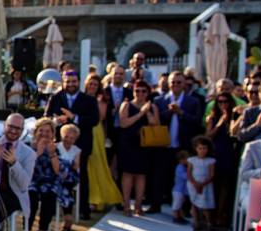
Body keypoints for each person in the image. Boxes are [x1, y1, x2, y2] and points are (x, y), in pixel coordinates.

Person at [45, 70, 100, 219]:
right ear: (63, 82)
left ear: (79, 82)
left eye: (73, 81)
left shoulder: (88, 99)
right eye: (67, 81)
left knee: (82, 177)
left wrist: (74, 118)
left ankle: (83, 209)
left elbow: (94, 120)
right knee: (54, 175)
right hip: (59, 146)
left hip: (81, 145)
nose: (70, 84)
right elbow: (47, 118)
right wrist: (57, 121)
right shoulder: (56, 97)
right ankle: (55, 210)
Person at [148, 71, 203, 214]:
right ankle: (156, 204)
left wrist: (181, 113)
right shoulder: (159, 101)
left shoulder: (193, 102)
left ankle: (182, 208)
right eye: (173, 82)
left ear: (184, 84)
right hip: (163, 145)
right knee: (159, 175)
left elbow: (197, 123)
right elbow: (156, 121)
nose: (175, 85)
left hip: (183, 146)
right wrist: (169, 113)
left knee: (182, 178)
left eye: (179, 82)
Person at [0, 113, 36, 231]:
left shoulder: (28, 153)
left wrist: (14, 163)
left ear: (22, 130)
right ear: (4, 126)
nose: (13, 131)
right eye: (11, 126)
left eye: (18, 128)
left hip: (14, 194)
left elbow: (24, 185)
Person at [118, 80, 161, 216]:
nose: (140, 94)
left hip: (144, 144)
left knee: (141, 175)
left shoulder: (152, 107)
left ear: (148, 93)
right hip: (128, 143)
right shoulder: (126, 105)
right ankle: (126, 205)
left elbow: (156, 125)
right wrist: (140, 114)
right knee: (127, 174)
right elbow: (124, 123)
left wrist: (147, 112)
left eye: (143, 91)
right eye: (137, 90)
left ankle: (138, 205)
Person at [83, 74, 123, 210]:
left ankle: (97, 198)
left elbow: (100, 117)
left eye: (95, 84)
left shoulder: (101, 99)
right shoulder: (81, 97)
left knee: (97, 162)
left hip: (96, 131)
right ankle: (88, 198)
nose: (92, 86)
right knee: (86, 165)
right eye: (90, 84)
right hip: (83, 130)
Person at [27, 118, 62, 231]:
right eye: (41, 130)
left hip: (49, 181)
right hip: (32, 179)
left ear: (53, 134)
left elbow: (58, 171)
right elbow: (27, 167)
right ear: (35, 132)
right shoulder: (29, 146)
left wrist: (52, 154)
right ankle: (27, 230)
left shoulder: (56, 148)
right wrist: (38, 152)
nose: (44, 134)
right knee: (32, 196)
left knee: (50, 196)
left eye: (48, 131)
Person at [204, 91, 237, 226]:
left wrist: (230, 119)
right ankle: (210, 215)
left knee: (225, 185)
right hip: (215, 153)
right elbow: (208, 136)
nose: (223, 104)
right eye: (220, 102)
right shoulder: (212, 118)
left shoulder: (235, 116)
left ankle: (220, 214)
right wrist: (219, 123)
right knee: (213, 185)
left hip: (228, 153)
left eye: (226, 102)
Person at [56, 123, 82, 231]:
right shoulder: (56, 147)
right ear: (62, 135)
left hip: (70, 176)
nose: (68, 139)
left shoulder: (77, 150)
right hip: (57, 174)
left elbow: (76, 166)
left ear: (75, 139)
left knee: (66, 183)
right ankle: (68, 216)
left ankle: (67, 217)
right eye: (66, 136)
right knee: (63, 186)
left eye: (71, 138)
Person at [187, 136, 216, 229]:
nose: (202, 150)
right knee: (194, 203)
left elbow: (212, 175)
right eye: (200, 148)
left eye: (204, 148)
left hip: (205, 185)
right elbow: (189, 173)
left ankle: (209, 222)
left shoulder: (210, 161)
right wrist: (195, 184)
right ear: (196, 149)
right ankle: (196, 221)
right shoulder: (192, 160)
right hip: (193, 184)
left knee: (205, 205)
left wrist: (202, 184)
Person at [172, 151, 190, 224]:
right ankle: (175, 216)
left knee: (180, 204)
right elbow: (185, 176)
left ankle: (180, 217)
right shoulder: (179, 168)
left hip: (182, 190)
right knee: (177, 204)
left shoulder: (184, 167)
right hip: (178, 190)